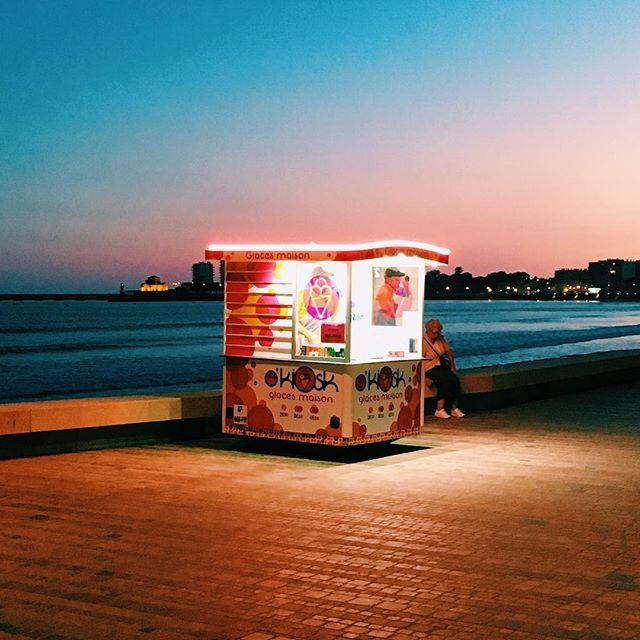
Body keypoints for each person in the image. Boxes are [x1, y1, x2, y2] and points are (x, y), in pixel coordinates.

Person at [422, 318, 465, 419]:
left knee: (454, 380)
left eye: (438, 332)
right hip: (429, 367)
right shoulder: (422, 341)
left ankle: (454, 408)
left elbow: (448, 351)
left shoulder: (440, 339)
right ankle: (439, 409)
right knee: (444, 381)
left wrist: (452, 365)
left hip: (441, 365)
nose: (436, 335)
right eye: (434, 333)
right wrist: (425, 376)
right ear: (427, 330)